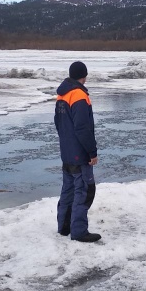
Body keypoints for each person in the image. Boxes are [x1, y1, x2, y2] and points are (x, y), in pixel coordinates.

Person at [54, 61, 101, 242]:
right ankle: (79, 231)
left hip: (67, 152)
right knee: (84, 191)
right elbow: (82, 128)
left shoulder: (62, 95)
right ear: (84, 76)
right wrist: (92, 152)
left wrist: (67, 145)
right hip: (79, 154)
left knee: (69, 190)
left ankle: (64, 228)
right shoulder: (79, 95)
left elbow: (59, 124)